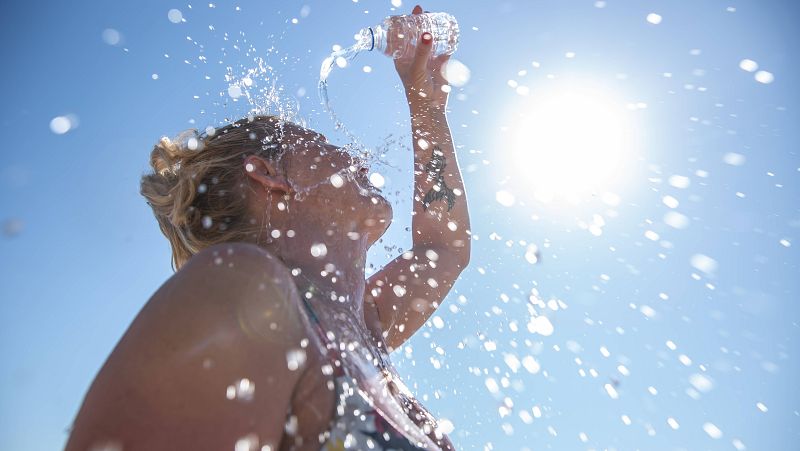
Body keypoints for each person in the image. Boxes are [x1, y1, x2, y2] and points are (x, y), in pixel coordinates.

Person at [65, 4, 470, 450]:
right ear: (270, 175)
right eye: (323, 144)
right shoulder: (247, 295)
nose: (357, 158)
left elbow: (443, 248)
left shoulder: (362, 325)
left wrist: (427, 107)